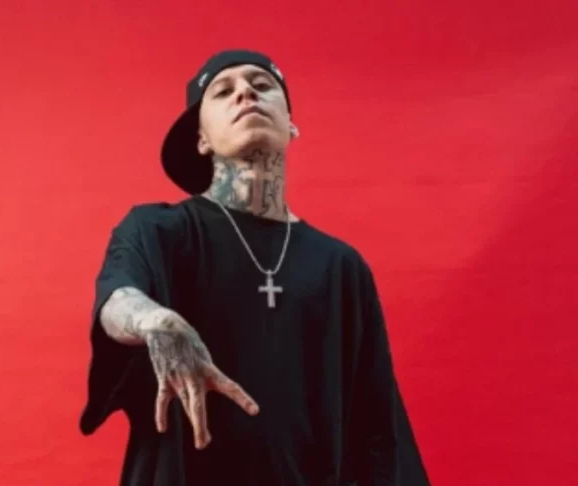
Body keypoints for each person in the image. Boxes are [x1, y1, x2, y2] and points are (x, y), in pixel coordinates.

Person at [80, 50, 430, 485]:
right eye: (223, 91)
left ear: (291, 125)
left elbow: (377, 427)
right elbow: (118, 297)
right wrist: (155, 321)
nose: (246, 92)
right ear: (202, 139)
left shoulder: (341, 267)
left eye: (263, 85)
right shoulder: (159, 231)